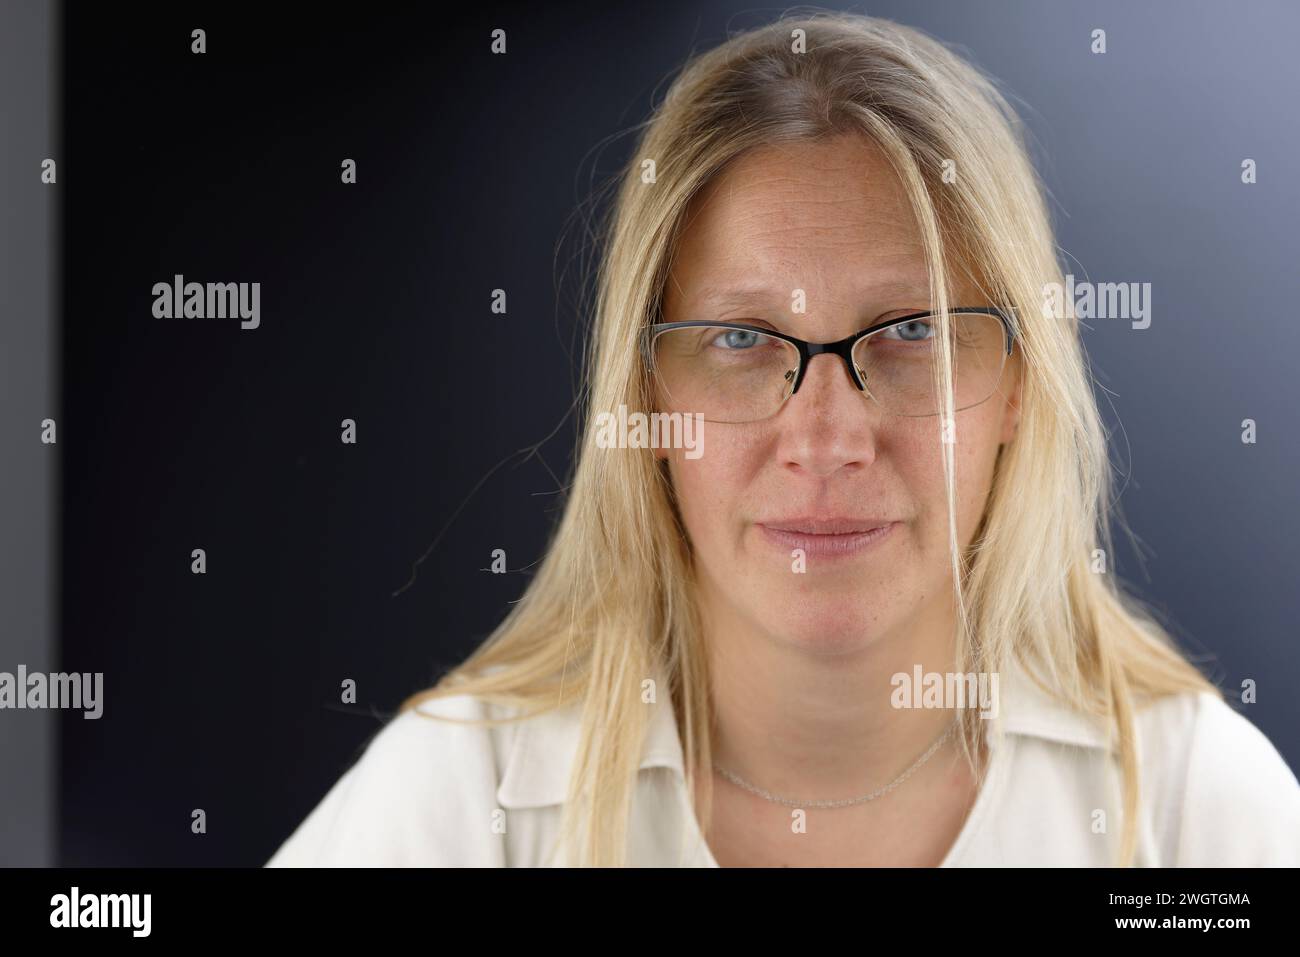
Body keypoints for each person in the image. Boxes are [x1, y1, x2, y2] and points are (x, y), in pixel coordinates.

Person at [266, 11, 1300, 867]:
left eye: (910, 332)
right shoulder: (466, 801)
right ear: (645, 397)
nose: (826, 436)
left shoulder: (1191, 815)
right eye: (740, 339)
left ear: (1019, 388)